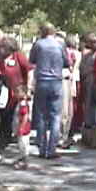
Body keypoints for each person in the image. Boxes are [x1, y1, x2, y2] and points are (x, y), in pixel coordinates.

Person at [29, 23, 70, 159]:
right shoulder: (60, 45)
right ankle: (52, 149)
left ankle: (41, 148)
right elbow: (67, 62)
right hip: (56, 82)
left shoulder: (38, 44)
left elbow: (32, 60)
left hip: (42, 81)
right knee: (55, 116)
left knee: (41, 115)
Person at [0, 36, 33, 148]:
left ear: (10, 48)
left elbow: (29, 70)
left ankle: (18, 137)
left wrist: (28, 87)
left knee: (18, 115)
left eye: (3, 47)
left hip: (18, 91)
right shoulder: (0, 58)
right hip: (4, 91)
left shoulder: (18, 56)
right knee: (4, 114)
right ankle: (4, 137)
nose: (1, 50)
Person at [12, 85, 32, 170]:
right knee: (20, 145)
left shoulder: (23, 103)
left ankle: (24, 161)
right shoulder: (20, 103)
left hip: (23, 129)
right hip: (20, 127)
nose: (16, 94)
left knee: (23, 145)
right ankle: (22, 159)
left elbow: (25, 116)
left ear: (24, 94)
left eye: (18, 92)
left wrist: (22, 127)